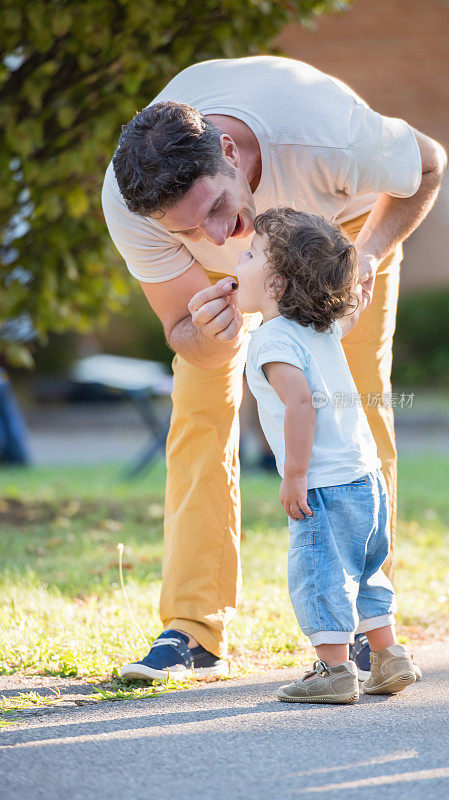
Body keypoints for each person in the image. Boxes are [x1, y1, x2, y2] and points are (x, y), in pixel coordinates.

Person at [101, 56, 446, 682]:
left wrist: (364, 256)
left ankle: (374, 631)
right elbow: (184, 335)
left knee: (357, 406)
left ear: (229, 151)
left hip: (340, 231)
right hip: (234, 284)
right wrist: (211, 337)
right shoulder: (133, 204)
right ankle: (193, 630)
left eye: (216, 206)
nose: (218, 233)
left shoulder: (330, 135)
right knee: (200, 408)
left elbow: (428, 164)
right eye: (189, 228)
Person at [242, 207, 416, 703]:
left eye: (250, 254)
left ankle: (335, 671)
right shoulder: (317, 328)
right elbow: (348, 317)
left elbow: (299, 403)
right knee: (366, 570)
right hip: (367, 477)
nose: (238, 258)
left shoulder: (272, 340)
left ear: (275, 285)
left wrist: (294, 475)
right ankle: (389, 657)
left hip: (322, 484)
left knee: (320, 572)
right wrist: (358, 296)